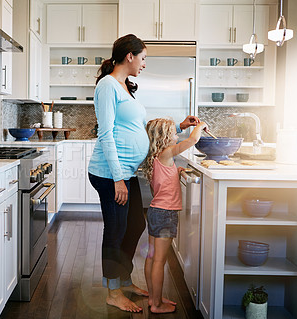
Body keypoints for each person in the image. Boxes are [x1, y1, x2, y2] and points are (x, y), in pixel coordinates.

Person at [87, 34, 201, 313]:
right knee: (115, 230)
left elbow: (142, 127)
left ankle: (123, 280)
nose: (144, 64)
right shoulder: (107, 86)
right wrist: (117, 178)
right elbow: (106, 134)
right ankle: (113, 292)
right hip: (109, 173)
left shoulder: (125, 88)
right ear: (130, 55)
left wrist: (180, 126)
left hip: (126, 171)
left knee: (136, 224)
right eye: (143, 58)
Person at [142, 117, 207, 313]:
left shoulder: (156, 157)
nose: (177, 136)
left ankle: (154, 298)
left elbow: (159, 186)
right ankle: (157, 305)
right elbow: (192, 141)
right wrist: (200, 127)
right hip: (166, 214)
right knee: (160, 261)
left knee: (151, 257)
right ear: (164, 137)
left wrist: (175, 172)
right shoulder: (167, 152)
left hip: (155, 211)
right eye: (174, 133)